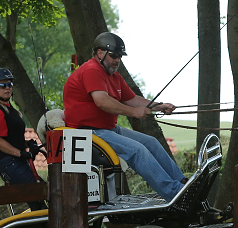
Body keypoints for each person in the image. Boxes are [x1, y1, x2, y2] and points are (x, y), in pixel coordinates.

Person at [63, 32, 187, 200]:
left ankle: (183, 184)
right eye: (113, 55)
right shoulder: (92, 70)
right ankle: (175, 193)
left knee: (151, 142)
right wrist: (133, 112)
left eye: (120, 57)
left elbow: (133, 99)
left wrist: (159, 106)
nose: (117, 60)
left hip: (107, 129)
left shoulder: (114, 76)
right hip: (87, 133)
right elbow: (102, 101)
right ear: (100, 53)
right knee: (137, 151)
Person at [0, 68, 47, 211]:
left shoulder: (10, 110)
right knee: (43, 194)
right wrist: (20, 153)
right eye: (2, 85)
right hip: (10, 164)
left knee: (38, 202)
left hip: (19, 162)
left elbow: (12, 139)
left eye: (9, 84)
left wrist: (28, 144)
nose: (7, 88)